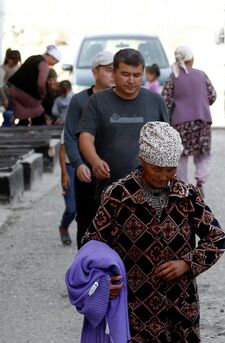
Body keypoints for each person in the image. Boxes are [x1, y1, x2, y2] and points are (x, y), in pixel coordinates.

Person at [82, 121, 225, 343]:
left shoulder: (188, 196)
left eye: (171, 167)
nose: (165, 175)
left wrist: (187, 264)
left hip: (179, 308)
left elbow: (216, 239)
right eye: (157, 167)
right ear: (142, 160)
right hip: (132, 309)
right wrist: (108, 278)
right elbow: (92, 243)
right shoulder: (118, 195)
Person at [77, 48, 168, 246]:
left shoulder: (155, 101)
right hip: (109, 190)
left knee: (147, 246)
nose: (131, 80)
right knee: (110, 247)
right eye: (125, 74)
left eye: (137, 75)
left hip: (150, 191)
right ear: (114, 73)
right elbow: (85, 137)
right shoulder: (97, 102)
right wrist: (94, 161)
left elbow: (167, 141)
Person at [63, 50, 114, 248]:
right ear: (95, 72)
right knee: (86, 221)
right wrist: (77, 164)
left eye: (115, 70)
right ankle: (85, 268)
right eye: (108, 70)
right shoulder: (79, 101)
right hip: (87, 174)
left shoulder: (120, 100)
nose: (113, 74)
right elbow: (69, 136)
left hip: (115, 173)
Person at [161, 45, 216, 193]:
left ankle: (182, 186)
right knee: (202, 153)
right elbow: (212, 96)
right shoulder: (201, 75)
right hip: (202, 120)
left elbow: (165, 100)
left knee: (181, 156)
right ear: (191, 59)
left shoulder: (173, 77)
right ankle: (200, 181)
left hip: (180, 124)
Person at [7, 44, 61, 125]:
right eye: (54, 62)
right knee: (39, 112)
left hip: (12, 89)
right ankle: (40, 134)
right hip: (24, 93)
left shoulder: (32, 58)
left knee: (24, 116)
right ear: (51, 57)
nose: (53, 65)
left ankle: (22, 131)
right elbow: (41, 84)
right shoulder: (44, 64)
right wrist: (42, 95)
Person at [1, 48, 22, 125]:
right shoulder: (3, 69)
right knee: (8, 114)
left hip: (15, 94)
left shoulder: (18, 68)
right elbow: (1, 85)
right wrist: (5, 98)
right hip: (5, 94)